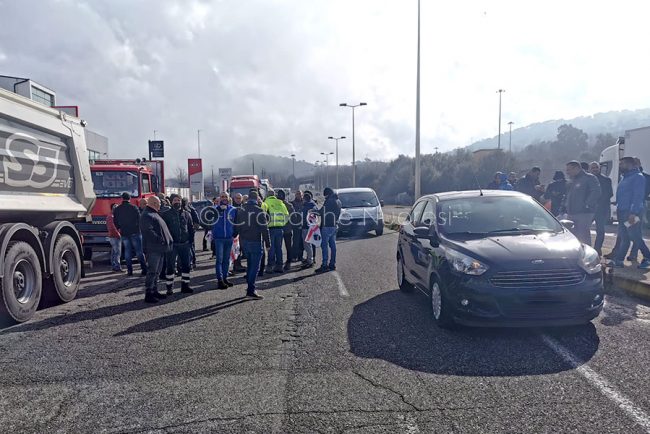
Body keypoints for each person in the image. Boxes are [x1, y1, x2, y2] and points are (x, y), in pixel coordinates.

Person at [611, 157, 650, 269]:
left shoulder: (638, 177)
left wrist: (633, 212)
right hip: (622, 211)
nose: (620, 166)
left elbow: (638, 196)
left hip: (631, 213)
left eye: (622, 164)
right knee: (624, 237)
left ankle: (648, 257)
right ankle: (619, 260)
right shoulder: (625, 177)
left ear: (630, 164)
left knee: (634, 235)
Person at [234, 190, 270, 299]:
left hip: (244, 241)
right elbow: (264, 229)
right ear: (257, 198)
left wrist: (235, 237)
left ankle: (250, 288)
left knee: (250, 265)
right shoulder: (259, 211)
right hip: (255, 241)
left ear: (248, 198)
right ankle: (251, 289)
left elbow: (237, 226)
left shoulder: (241, 210)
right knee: (255, 267)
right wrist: (268, 243)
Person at [140, 196, 173, 303]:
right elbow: (148, 231)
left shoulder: (153, 213)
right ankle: (149, 293)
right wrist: (160, 240)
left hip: (159, 248)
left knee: (157, 271)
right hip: (153, 248)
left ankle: (154, 290)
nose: (160, 205)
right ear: (154, 203)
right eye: (159, 203)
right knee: (152, 271)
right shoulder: (147, 215)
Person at [161, 194, 194, 295]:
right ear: (171, 202)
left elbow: (191, 228)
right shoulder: (166, 214)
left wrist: (190, 241)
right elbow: (163, 230)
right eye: (175, 200)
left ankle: (185, 286)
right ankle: (169, 288)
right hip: (172, 245)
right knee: (170, 266)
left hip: (185, 244)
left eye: (178, 200)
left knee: (186, 266)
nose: (177, 202)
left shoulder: (187, 214)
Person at [564, 161, 601, 245]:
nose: (567, 172)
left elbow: (596, 192)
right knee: (573, 236)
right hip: (572, 212)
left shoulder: (589, 178)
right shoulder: (572, 180)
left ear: (576, 168)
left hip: (584, 213)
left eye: (569, 170)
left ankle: (587, 255)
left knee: (583, 235)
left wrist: (587, 205)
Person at [113, 192, 147, 276]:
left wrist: (119, 228)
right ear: (129, 198)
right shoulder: (134, 208)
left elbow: (115, 221)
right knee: (139, 251)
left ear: (122, 198)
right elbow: (139, 219)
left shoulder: (117, 209)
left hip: (124, 232)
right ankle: (144, 269)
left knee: (127, 252)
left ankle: (129, 271)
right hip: (135, 231)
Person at [212, 192, 237, 289]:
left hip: (229, 238)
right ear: (219, 198)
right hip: (219, 239)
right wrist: (218, 210)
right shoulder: (214, 210)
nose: (224, 198)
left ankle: (225, 278)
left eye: (225, 196)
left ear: (228, 198)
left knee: (227, 260)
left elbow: (236, 223)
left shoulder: (233, 210)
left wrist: (234, 234)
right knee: (219, 260)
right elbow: (209, 221)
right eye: (222, 197)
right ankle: (220, 280)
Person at [589, 162, 613, 256]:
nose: (595, 169)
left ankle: (597, 249)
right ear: (589, 169)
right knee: (584, 229)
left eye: (596, 167)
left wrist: (598, 202)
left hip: (601, 209)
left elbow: (610, 193)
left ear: (599, 168)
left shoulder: (606, 180)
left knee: (600, 231)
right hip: (589, 209)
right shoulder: (587, 180)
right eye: (593, 168)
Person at [315, 187, 342, 273]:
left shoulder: (329, 201)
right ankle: (332, 264)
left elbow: (321, 212)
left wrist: (313, 211)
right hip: (334, 225)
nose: (325, 197)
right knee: (333, 246)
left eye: (325, 195)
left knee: (324, 246)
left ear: (327, 194)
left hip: (327, 226)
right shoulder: (338, 201)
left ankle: (324, 265)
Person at [264, 189, 289, 273]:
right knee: (279, 248)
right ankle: (279, 266)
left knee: (271, 248)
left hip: (270, 228)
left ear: (267, 195)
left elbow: (262, 214)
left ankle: (270, 266)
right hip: (280, 228)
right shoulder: (281, 203)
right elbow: (286, 216)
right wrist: (282, 223)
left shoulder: (266, 203)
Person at [276, 189, 295, 271]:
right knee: (288, 247)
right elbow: (293, 217)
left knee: (278, 247)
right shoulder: (289, 205)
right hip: (287, 228)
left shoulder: (276, 205)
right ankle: (288, 262)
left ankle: (278, 263)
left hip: (279, 228)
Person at [300, 191, 317, 268]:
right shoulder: (314, 205)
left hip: (306, 227)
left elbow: (304, 217)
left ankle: (309, 261)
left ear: (305, 199)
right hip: (312, 227)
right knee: (310, 244)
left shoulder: (306, 206)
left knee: (307, 245)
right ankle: (310, 259)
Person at [231, 193, 247, 273]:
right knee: (235, 249)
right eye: (236, 198)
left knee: (239, 249)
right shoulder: (232, 208)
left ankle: (238, 264)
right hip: (234, 232)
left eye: (239, 198)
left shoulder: (243, 207)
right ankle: (236, 266)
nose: (238, 199)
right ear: (234, 199)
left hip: (242, 232)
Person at [107, 203, 122, 272]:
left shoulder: (113, 216)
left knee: (114, 252)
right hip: (114, 236)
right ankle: (117, 267)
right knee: (117, 252)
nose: (116, 208)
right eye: (115, 207)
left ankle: (114, 266)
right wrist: (118, 234)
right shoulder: (111, 216)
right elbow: (112, 227)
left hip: (113, 236)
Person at [290, 191, 305, 262]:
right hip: (296, 225)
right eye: (297, 194)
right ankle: (294, 256)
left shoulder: (304, 203)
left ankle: (300, 256)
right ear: (295, 195)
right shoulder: (292, 203)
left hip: (304, 225)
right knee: (296, 241)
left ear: (302, 195)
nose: (299, 195)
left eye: (300, 194)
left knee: (302, 242)